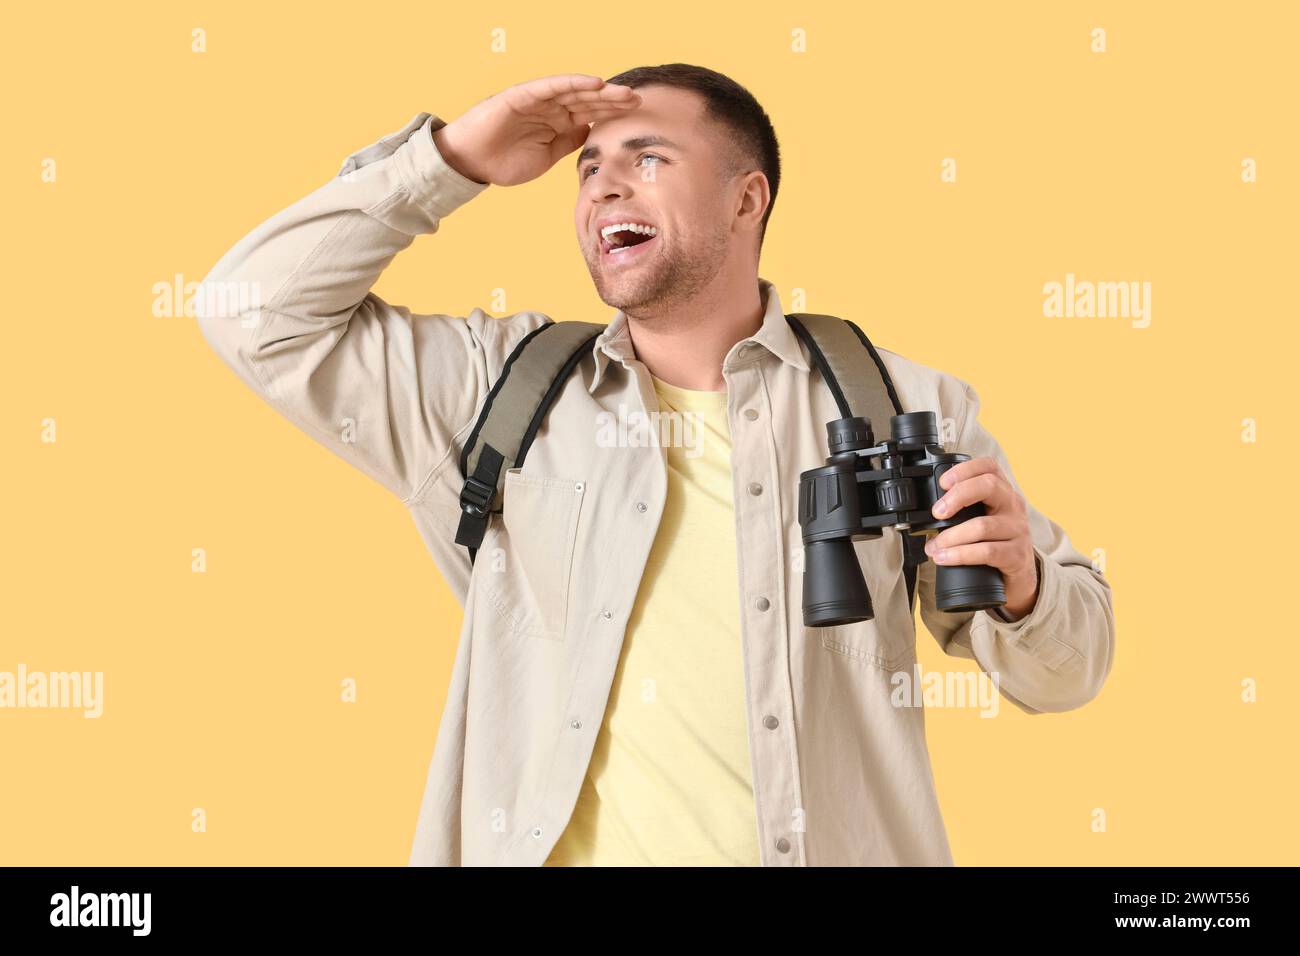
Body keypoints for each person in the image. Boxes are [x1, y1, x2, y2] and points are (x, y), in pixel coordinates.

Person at [195, 64, 1116, 866]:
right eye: (588, 168)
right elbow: (250, 310)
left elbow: (1068, 674)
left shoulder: (897, 405)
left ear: (746, 198)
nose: (601, 189)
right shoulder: (499, 393)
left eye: (647, 159)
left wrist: (1028, 590)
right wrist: (451, 161)